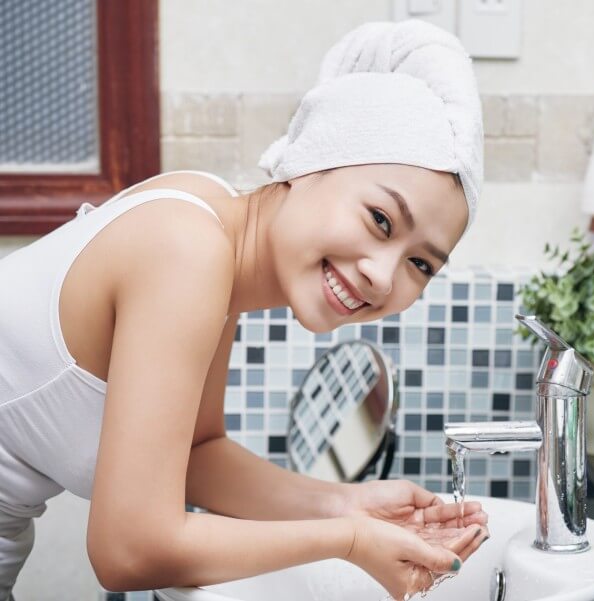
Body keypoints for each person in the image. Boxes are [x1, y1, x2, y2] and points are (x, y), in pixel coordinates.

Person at [0, 18, 486, 601]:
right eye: (380, 219)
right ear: (309, 162)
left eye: (422, 265)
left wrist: (346, 502)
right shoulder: (189, 249)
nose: (383, 277)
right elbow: (128, 550)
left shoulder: (210, 228)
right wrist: (348, 540)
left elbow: (197, 455)